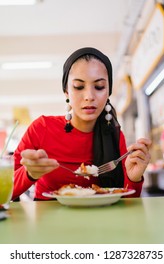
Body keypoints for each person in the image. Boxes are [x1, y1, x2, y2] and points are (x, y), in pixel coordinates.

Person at [12, 47, 151, 201]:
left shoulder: (114, 136)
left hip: (99, 221)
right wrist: (29, 173)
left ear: (108, 92)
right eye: (79, 87)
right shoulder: (42, 128)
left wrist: (134, 178)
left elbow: (126, 202)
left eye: (99, 87)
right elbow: (4, 191)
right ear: (66, 91)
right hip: (48, 221)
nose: (89, 96)